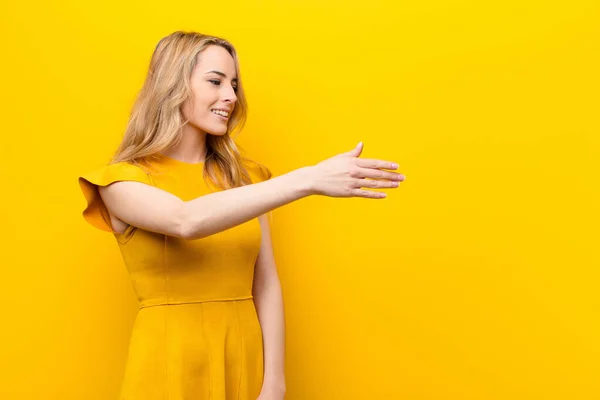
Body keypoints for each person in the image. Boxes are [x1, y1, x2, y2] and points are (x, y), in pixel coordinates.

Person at [78, 31, 405, 400]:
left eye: (233, 84)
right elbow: (186, 220)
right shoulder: (121, 181)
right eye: (215, 81)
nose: (231, 96)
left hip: (244, 359)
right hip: (169, 362)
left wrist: (275, 384)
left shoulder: (244, 178)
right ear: (172, 85)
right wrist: (308, 179)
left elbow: (266, 282)